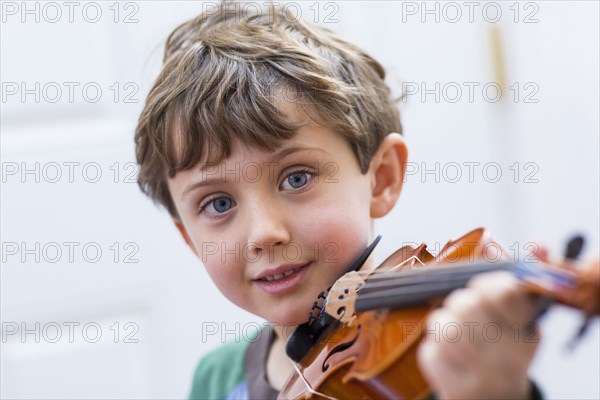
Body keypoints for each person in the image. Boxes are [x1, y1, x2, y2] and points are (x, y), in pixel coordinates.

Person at [133, 2, 551, 399]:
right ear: (190, 239)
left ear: (381, 177)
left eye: (296, 178)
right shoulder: (216, 378)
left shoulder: (444, 360)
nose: (264, 233)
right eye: (219, 204)